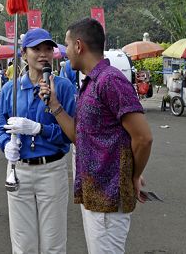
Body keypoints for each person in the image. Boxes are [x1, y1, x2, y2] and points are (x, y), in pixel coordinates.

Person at [39, 18, 153, 254]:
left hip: (110, 198)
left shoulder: (110, 80)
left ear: (79, 46)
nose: (64, 52)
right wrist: (55, 105)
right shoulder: (90, 83)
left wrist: (134, 175)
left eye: (67, 45)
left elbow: (143, 137)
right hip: (95, 197)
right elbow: (80, 138)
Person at [0, 28, 76, 253]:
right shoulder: (10, 89)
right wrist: (5, 144)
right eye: (36, 49)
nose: (43, 54)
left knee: (53, 243)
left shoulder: (64, 88)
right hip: (19, 170)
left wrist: (40, 129)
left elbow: (71, 135)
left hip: (51, 169)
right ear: (23, 53)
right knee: (23, 244)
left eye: (48, 49)